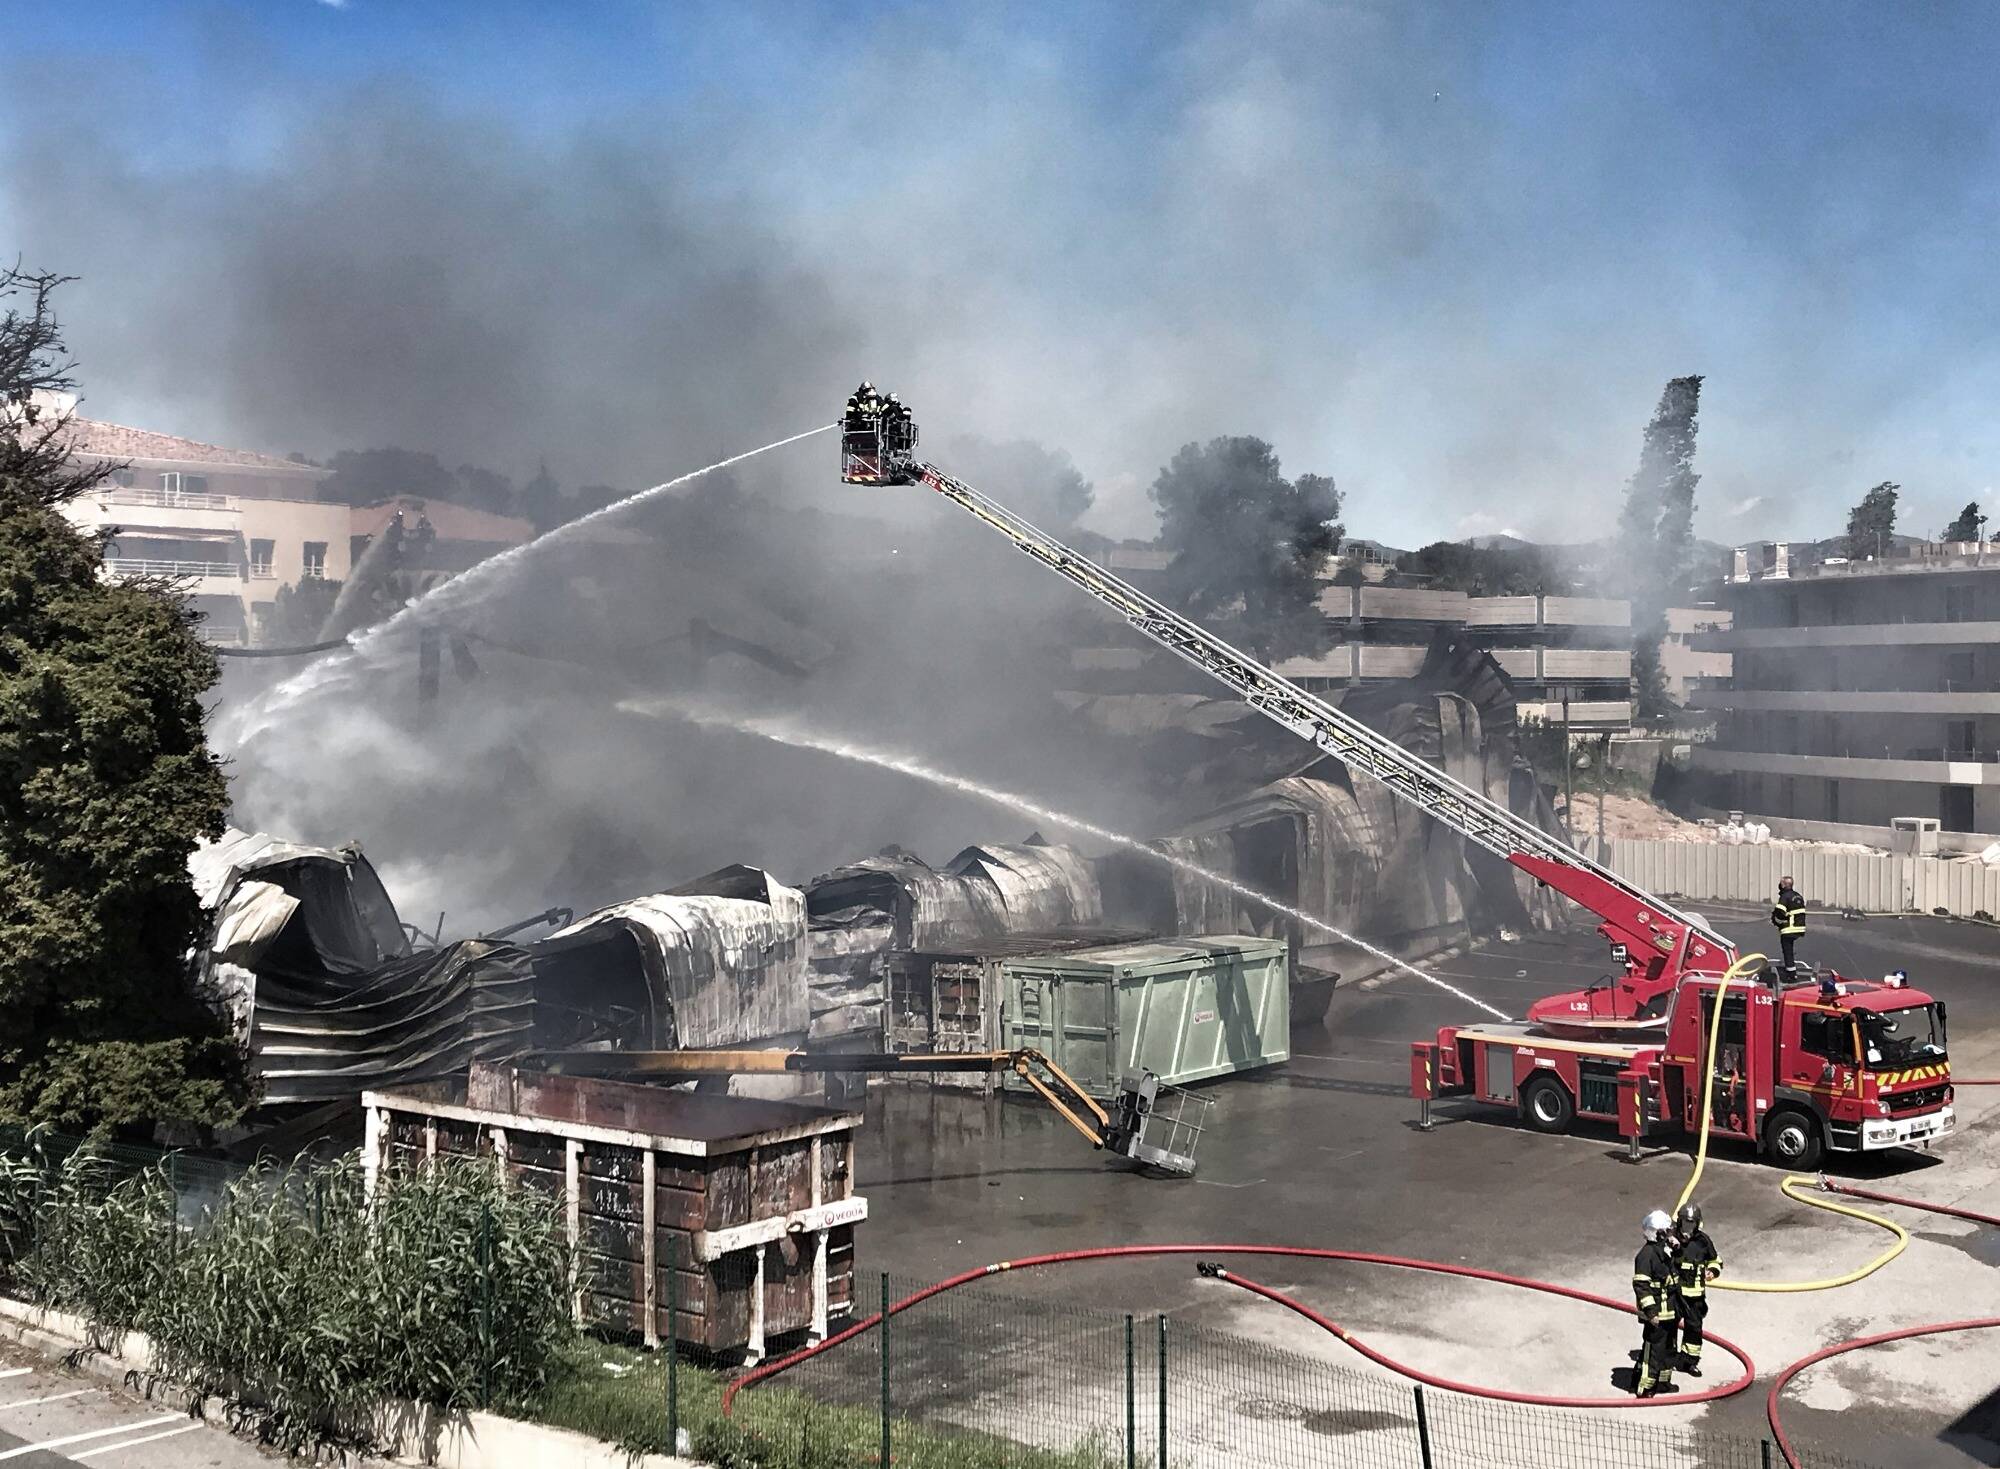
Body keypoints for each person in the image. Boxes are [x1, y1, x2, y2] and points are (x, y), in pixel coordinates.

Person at [1632, 1209, 1680, 1397]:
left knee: (1669, 1350)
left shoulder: (1665, 1252)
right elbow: (1642, 1286)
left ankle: (1663, 1383)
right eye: (1667, 1232)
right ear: (1658, 1233)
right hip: (1657, 1315)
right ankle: (1646, 1387)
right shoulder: (1646, 1256)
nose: (1670, 1235)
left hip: (1671, 1313)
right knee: (1652, 1352)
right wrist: (1651, 1313)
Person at [1672, 1202, 1722, 1377]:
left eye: (1691, 1224)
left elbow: (1716, 1260)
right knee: (1668, 1326)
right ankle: (1668, 1358)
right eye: (1685, 1223)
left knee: (1694, 1328)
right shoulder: (1672, 1240)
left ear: (1697, 1224)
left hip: (1695, 1296)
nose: (1687, 1228)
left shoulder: (1703, 1241)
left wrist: (1712, 1271)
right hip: (1674, 1294)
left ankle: (1689, 1361)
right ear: (1679, 1222)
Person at [1771, 876, 1806, 970]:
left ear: (1783, 885)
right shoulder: (1798, 896)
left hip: (1789, 928)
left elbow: (1779, 913)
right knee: (1790, 948)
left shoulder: (1784, 896)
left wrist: (1776, 921)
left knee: (1787, 951)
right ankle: (1791, 970)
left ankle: (1791, 974)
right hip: (1800, 928)